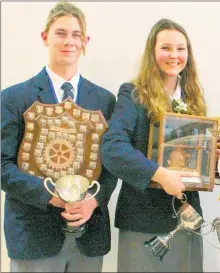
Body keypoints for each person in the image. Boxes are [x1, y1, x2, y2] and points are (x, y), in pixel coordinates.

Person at [1, 2, 117, 272]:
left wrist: (93, 201)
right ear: (45, 37)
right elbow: (2, 166)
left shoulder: (105, 101)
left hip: (89, 237)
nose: (69, 41)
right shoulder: (13, 98)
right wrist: (51, 195)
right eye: (61, 33)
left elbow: (111, 166)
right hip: (33, 234)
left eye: (76, 35)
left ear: (85, 41)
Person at [100, 18, 206, 272]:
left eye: (181, 49)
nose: (174, 55)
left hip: (187, 220)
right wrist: (159, 174)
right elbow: (112, 148)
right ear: (152, 52)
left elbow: (195, 162)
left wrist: (212, 158)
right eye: (166, 48)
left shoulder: (194, 99)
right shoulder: (134, 94)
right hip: (143, 222)